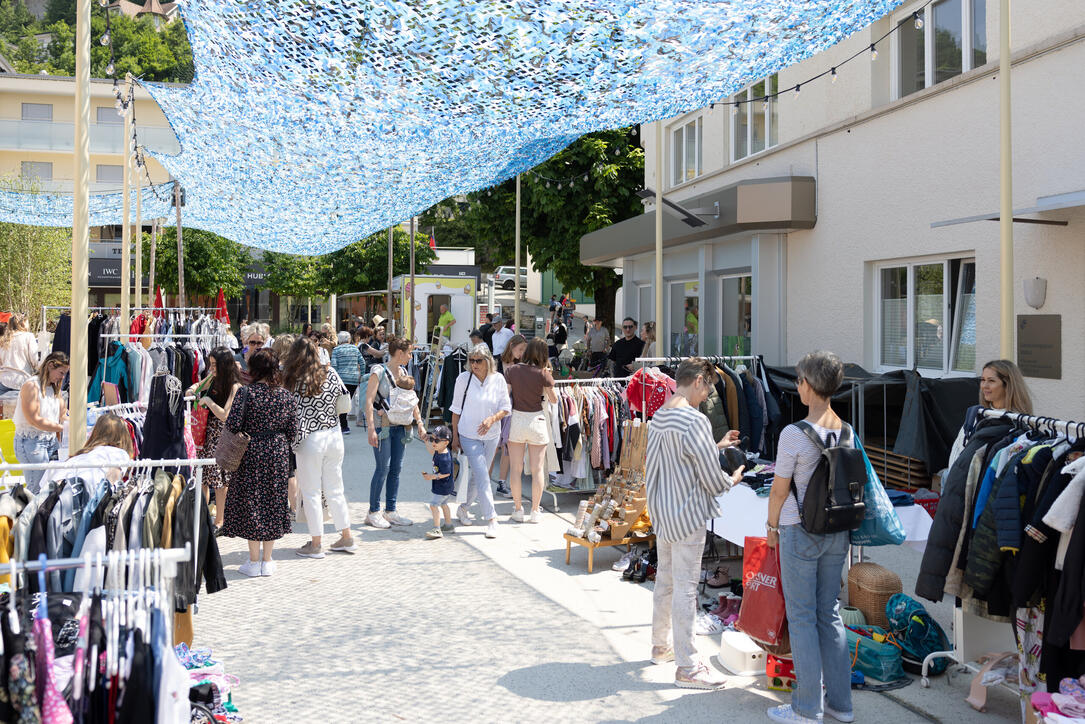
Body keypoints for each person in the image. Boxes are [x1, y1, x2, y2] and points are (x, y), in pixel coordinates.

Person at [764, 351, 852, 723]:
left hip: (799, 531)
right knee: (829, 614)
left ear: (810, 385)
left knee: (801, 617)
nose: (797, 385)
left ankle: (806, 707)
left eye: (799, 380)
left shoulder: (793, 434)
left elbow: (779, 490)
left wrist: (770, 528)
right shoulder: (847, 429)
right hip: (837, 529)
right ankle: (840, 705)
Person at [645, 357, 744, 690]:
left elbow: (667, 462)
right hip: (687, 515)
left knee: (666, 582)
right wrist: (732, 478)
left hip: (664, 511)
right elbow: (711, 479)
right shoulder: (695, 420)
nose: (707, 396)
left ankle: (662, 646)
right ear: (699, 381)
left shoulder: (659, 416)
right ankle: (687, 665)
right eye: (708, 388)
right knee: (686, 589)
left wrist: (716, 446)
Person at [219, 349, 297, 577]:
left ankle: (253, 562)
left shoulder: (246, 393)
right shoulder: (285, 396)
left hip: (251, 451)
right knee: (273, 499)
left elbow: (232, 424)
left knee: (252, 500)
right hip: (277, 451)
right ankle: (268, 560)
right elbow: (293, 430)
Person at [283, 337, 355, 559]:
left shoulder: (293, 379)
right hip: (333, 435)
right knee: (335, 488)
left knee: (312, 491)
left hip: (309, 439)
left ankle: (316, 543)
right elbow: (345, 402)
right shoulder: (330, 373)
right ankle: (346, 536)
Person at [363, 336, 426, 528]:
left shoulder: (404, 371)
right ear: (399, 353)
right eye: (408, 353)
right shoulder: (378, 371)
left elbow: (411, 399)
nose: (410, 356)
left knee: (396, 469)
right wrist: (371, 428)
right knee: (383, 468)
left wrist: (420, 423)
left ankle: (390, 510)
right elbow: (368, 400)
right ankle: (373, 511)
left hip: (401, 426)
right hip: (383, 426)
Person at [449, 343, 510, 539]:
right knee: (483, 475)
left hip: (492, 435)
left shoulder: (498, 379)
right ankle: (492, 518)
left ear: (488, 361)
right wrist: (455, 437)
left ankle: (464, 508)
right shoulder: (463, 379)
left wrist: (492, 419)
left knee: (478, 476)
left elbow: (506, 407)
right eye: (471, 360)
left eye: (478, 361)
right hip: (469, 434)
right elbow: (455, 410)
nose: (474, 364)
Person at [187, 347, 242, 533]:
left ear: (223, 365)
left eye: (213, 364)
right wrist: (191, 390)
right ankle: (203, 516)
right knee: (202, 476)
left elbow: (225, 415)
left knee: (219, 481)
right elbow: (196, 387)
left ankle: (220, 520)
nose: (211, 368)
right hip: (205, 433)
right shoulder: (212, 378)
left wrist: (208, 401)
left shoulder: (235, 386)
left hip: (222, 436)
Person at [504, 338, 557, 523]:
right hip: (537, 420)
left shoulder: (512, 370)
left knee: (516, 469)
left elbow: (505, 396)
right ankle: (535, 511)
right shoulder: (543, 374)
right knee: (537, 470)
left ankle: (518, 509)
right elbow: (554, 400)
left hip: (517, 420)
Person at [946, 359, 1033, 467]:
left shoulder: (1021, 422)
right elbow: (957, 453)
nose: (984, 386)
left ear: (1008, 385)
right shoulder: (976, 415)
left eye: (991, 381)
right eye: (983, 380)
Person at [13, 351, 69, 493]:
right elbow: (34, 419)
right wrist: (62, 428)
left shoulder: (55, 388)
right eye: (61, 372)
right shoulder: (31, 386)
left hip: (50, 442)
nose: (63, 377)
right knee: (37, 489)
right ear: (50, 366)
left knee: (51, 487)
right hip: (31, 442)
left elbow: (63, 415)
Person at [493, 334, 527, 496]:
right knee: (492, 446)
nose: (521, 353)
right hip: (495, 408)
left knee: (507, 445)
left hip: (513, 408)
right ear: (512, 345)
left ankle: (501, 482)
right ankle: (483, 481)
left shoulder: (520, 365)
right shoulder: (497, 361)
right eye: (520, 349)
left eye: (523, 351)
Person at [423, 426, 456, 540]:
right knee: (444, 504)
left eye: (436, 440)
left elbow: (446, 473)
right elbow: (431, 450)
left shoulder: (444, 457)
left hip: (443, 487)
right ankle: (448, 525)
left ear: (446, 442)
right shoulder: (439, 450)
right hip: (444, 486)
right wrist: (426, 440)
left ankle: (437, 528)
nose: (434, 442)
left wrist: (431, 476)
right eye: (432, 439)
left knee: (433, 505)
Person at [330, 330, 363, 434]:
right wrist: (361, 375)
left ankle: (343, 427)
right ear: (349, 339)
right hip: (353, 379)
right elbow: (362, 362)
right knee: (347, 401)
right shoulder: (355, 348)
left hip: (341, 379)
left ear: (339, 340)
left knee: (341, 402)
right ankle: (343, 425)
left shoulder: (336, 350)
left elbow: (334, 365)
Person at [0, 314, 41, 395]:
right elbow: (35, 359)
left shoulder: (4, 338)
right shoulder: (28, 336)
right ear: (23, 323)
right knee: (22, 407)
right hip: (22, 380)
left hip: (3, 380)